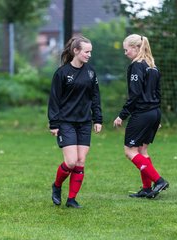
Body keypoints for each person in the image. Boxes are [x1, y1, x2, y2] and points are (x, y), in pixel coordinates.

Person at [48, 36, 103, 208]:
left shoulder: (91, 72)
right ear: (76, 51)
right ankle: (57, 186)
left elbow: (95, 96)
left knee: (80, 162)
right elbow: (54, 100)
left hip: (84, 123)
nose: (89, 55)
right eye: (87, 52)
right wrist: (54, 123)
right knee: (71, 162)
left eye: (90, 52)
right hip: (66, 122)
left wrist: (98, 119)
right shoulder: (62, 73)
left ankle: (71, 199)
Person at [113, 34, 169, 199]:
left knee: (130, 151)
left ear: (136, 48)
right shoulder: (153, 66)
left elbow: (135, 94)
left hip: (142, 113)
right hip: (153, 113)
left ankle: (159, 181)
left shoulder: (137, 66)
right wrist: (156, 117)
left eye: (126, 49)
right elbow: (158, 93)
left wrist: (122, 116)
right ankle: (146, 188)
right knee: (142, 150)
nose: (125, 53)